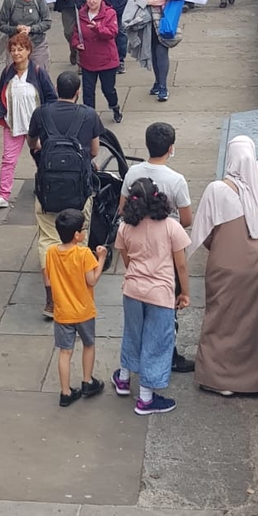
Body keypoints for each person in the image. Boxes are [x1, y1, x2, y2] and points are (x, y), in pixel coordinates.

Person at [189, 136, 258, 396]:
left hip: (223, 264)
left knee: (221, 319)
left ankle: (219, 379)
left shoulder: (215, 190)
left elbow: (204, 233)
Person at [119, 122, 194, 374]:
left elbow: (122, 209)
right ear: (171, 148)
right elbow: (186, 220)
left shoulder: (132, 173)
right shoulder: (176, 180)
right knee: (165, 311)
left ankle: (131, 365)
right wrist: (185, 291)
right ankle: (166, 356)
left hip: (138, 257)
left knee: (135, 319)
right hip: (166, 254)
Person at [112, 178, 190, 414]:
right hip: (161, 294)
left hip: (133, 290)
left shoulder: (125, 227)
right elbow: (181, 265)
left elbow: (126, 260)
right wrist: (184, 292)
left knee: (132, 333)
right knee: (156, 343)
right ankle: (146, 398)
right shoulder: (171, 227)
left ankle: (123, 378)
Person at [28, 71, 102, 319]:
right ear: (78, 91)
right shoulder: (89, 115)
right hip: (79, 191)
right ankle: (76, 290)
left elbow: (32, 143)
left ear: (57, 90)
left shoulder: (41, 113)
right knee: (79, 239)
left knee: (47, 241)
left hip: (48, 189)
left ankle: (51, 300)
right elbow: (93, 150)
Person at [0, 34, 56, 210]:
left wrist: (46, 124)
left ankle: (48, 188)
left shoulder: (38, 72)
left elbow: (51, 97)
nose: (16, 53)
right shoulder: (7, 72)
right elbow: (0, 95)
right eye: (13, 49)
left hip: (36, 126)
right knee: (8, 160)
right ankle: (3, 195)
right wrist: (3, 115)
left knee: (42, 157)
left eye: (20, 49)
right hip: (13, 124)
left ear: (28, 51)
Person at [47, 208, 106, 407]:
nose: (84, 232)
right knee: (88, 344)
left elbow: (49, 276)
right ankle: (88, 381)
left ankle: (65, 392)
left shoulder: (51, 252)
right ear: (76, 235)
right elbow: (92, 280)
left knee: (65, 351)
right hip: (83, 310)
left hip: (62, 311)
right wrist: (102, 259)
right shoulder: (83, 254)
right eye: (83, 229)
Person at [132, 0, 187, 102]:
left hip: (162, 21)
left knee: (161, 52)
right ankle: (157, 82)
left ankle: (163, 87)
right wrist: (149, 2)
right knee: (153, 54)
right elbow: (134, 0)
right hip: (146, 22)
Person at [70, 0, 122, 124]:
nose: (91, 1)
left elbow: (112, 32)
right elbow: (76, 33)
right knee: (88, 92)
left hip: (107, 61)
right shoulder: (80, 14)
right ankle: (90, 118)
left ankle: (114, 106)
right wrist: (76, 43)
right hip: (88, 60)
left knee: (108, 90)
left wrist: (98, 28)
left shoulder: (110, 13)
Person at [0, 0, 52, 70]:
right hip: (16, 45)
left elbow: (47, 22)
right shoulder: (10, 0)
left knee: (40, 75)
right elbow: (1, 24)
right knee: (12, 75)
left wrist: (31, 29)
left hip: (37, 44)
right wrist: (15, 29)